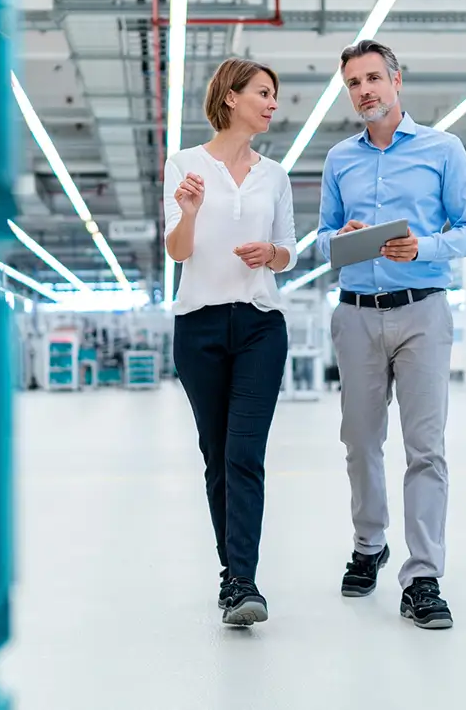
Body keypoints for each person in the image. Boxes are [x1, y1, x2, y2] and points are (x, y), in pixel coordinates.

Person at [315, 39, 466, 630]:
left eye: (371, 79)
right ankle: (369, 544)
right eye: (353, 83)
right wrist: (345, 236)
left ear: (396, 81)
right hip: (357, 312)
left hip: (423, 310)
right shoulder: (340, 159)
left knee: (425, 448)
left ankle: (423, 577)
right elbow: (321, 242)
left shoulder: (444, 149)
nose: (363, 90)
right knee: (360, 441)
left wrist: (424, 246)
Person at [163, 56, 297, 626]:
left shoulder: (275, 175)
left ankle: (243, 582)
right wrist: (189, 212)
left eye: (274, 94)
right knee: (216, 457)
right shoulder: (184, 165)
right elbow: (177, 252)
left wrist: (271, 254)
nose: (272, 103)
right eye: (263, 93)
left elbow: (289, 251)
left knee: (244, 452)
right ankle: (232, 577)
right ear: (231, 97)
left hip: (261, 325)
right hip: (199, 326)